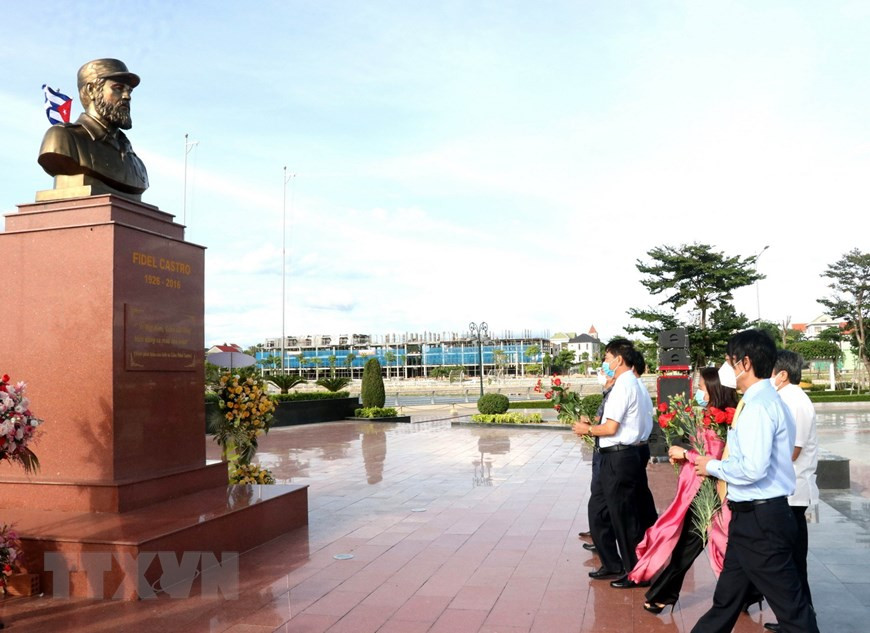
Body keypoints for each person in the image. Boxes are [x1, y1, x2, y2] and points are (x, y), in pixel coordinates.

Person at [692, 330, 818, 633]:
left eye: (729, 362)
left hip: (761, 521)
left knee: (793, 612)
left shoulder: (759, 406)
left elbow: (752, 468)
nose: (726, 369)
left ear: (745, 363)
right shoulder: (763, 400)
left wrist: (712, 466)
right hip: (754, 517)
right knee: (726, 601)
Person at [630, 365, 737, 612]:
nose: (698, 393)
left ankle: (663, 593)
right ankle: (747, 593)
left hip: (708, 490)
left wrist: (685, 453)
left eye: (701, 388)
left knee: (691, 544)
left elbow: (714, 455)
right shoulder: (715, 414)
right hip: (701, 486)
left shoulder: (721, 417)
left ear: (714, 389)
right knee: (711, 544)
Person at [574, 339, 654, 588]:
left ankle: (634, 572)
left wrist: (586, 429)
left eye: (607, 358)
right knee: (617, 513)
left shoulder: (623, 386)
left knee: (624, 518)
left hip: (619, 456)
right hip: (627, 455)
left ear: (619, 359)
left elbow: (610, 427)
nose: (605, 363)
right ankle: (621, 565)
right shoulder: (636, 385)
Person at [763, 350, 819, 633]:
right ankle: (796, 620)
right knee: (789, 561)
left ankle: (802, 622)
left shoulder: (794, 401)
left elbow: (792, 451)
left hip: (793, 492)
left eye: (771, 372)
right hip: (787, 490)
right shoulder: (787, 398)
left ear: (782, 374)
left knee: (794, 561)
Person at [38, 58, 149, 199]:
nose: (127, 96)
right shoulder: (62, 138)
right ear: (91, 90)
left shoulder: (136, 162)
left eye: (129, 91)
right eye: (118, 88)